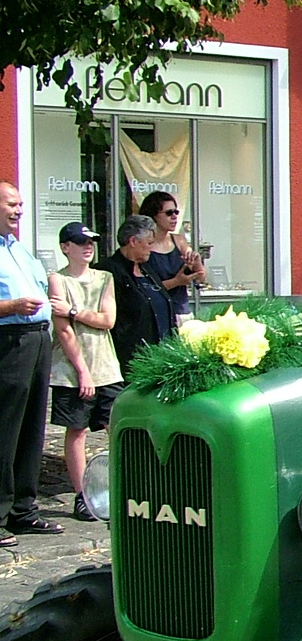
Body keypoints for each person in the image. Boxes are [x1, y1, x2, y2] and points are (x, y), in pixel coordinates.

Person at [0, 181, 63, 544]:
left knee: (31, 430)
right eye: (11, 204)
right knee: (6, 430)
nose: (19, 210)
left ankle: (24, 510)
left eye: (21, 204)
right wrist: (10, 307)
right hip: (9, 342)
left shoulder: (20, 251)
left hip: (38, 341)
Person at [48, 223, 122, 520]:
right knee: (76, 429)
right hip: (70, 370)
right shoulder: (57, 280)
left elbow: (108, 320)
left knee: (115, 426)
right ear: (66, 247)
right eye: (80, 242)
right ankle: (82, 495)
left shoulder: (105, 278)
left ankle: (120, 486)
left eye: (90, 241)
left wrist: (75, 311)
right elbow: (64, 331)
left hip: (106, 364)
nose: (88, 247)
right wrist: (83, 372)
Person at [99, 215, 175, 374]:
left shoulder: (147, 269)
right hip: (130, 361)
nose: (152, 248)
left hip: (161, 357)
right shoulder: (108, 271)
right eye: (149, 243)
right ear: (133, 241)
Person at [136, 191, 206, 322]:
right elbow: (144, 289)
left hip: (180, 311)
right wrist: (176, 282)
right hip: (155, 314)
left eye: (176, 212)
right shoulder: (144, 246)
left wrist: (196, 263)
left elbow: (200, 278)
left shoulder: (179, 241)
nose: (174, 217)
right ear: (153, 216)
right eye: (169, 213)